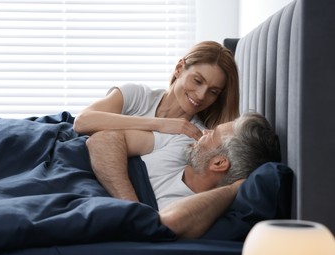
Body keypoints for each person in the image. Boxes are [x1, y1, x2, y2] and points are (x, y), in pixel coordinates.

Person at [86, 112, 282, 239]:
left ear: (219, 163)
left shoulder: (198, 211)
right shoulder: (181, 142)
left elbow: (170, 221)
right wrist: (133, 208)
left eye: (212, 135)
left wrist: (234, 188)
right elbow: (102, 140)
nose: (204, 131)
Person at [73, 41, 240, 142]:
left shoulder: (196, 136)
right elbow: (82, 121)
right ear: (179, 68)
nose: (201, 95)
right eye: (197, 81)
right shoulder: (138, 96)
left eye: (213, 92)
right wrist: (160, 124)